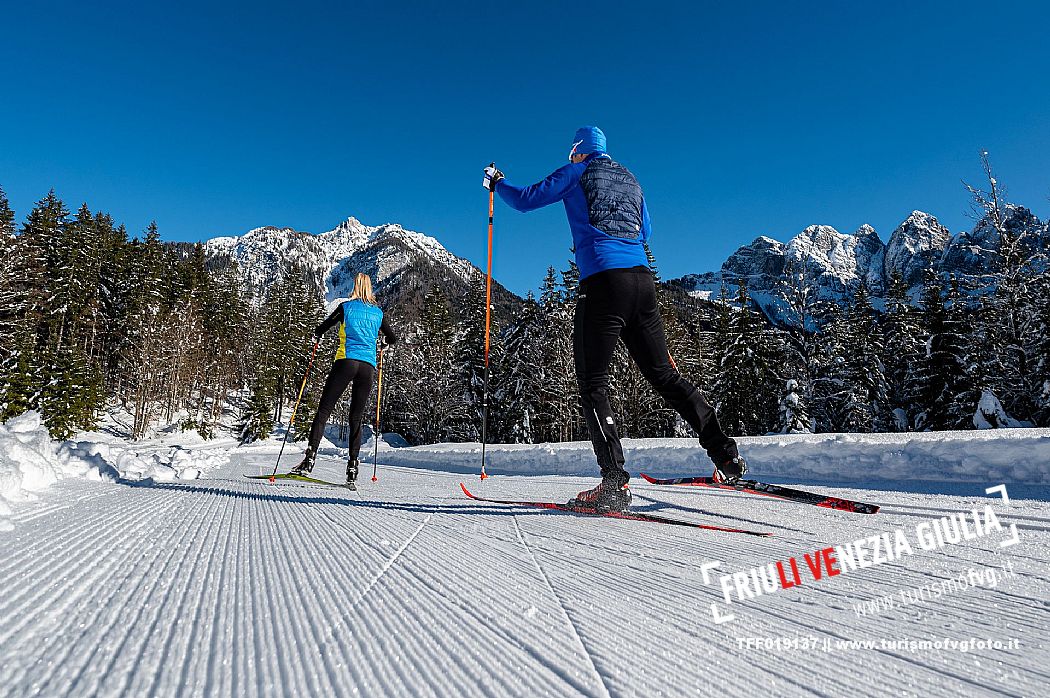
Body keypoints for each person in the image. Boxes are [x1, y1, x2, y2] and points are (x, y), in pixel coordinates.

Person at [483, 126, 747, 512]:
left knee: (593, 383)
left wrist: (498, 183)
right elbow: (647, 231)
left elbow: (526, 200)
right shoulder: (632, 180)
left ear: (579, 150)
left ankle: (614, 481)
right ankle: (726, 455)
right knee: (665, 376)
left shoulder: (576, 172)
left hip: (603, 284)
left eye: (572, 151)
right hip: (643, 283)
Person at [291, 273, 397, 485]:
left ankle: (310, 459)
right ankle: (352, 467)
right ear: (370, 288)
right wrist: (383, 343)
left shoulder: (346, 308)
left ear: (355, 287)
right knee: (355, 418)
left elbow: (322, 328)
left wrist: (317, 334)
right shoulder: (377, 313)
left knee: (323, 411)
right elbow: (392, 337)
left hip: (346, 362)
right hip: (367, 368)